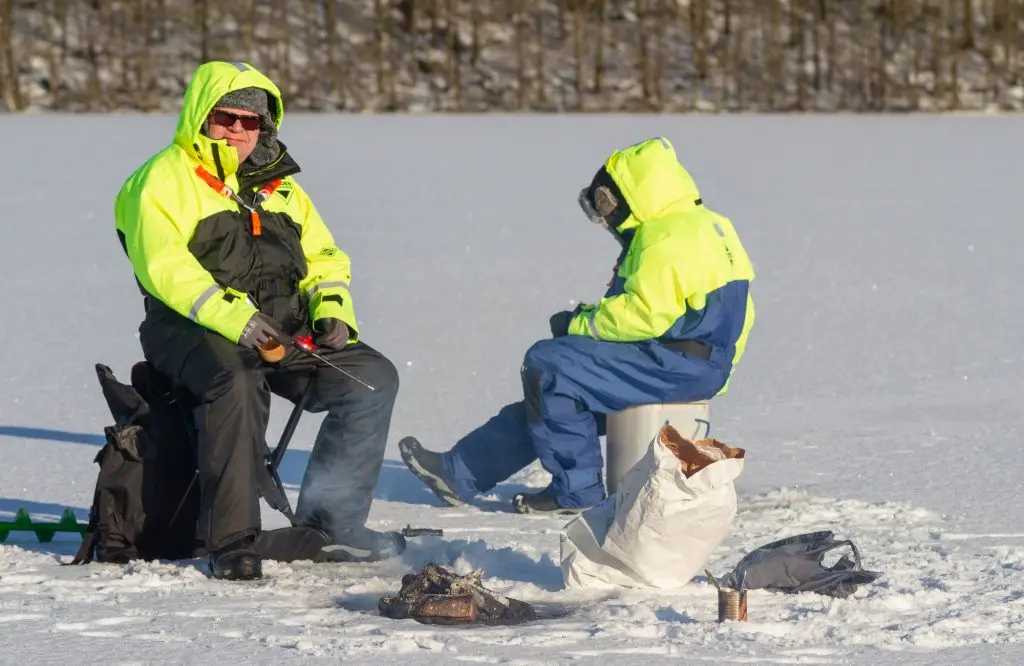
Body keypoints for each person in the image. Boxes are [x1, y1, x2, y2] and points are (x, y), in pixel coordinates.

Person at [113, 60, 404, 580]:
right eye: (227, 117)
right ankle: (232, 541)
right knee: (238, 380)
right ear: (202, 116)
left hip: (280, 332)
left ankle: (331, 525)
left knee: (371, 380)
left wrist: (332, 312)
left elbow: (325, 260)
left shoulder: (281, 187)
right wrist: (240, 322)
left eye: (253, 122)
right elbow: (166, 271)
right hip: (190, 330)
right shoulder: (160, 180)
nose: (239, 131)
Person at [400, 137, 755, 514]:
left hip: (671, 364)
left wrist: (577, 325)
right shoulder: (712, 226)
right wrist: (719, 370)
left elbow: (642, 315)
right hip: (691, 365)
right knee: (556, 395)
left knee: (548, 364)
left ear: (635, 193)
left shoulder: (662, 236)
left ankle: (577, 493)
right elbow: (742, 313)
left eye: (607, 201)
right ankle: (458, 472)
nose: (606, 214)